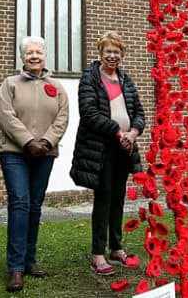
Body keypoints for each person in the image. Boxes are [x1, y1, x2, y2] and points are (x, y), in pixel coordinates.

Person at [0, 36, 70, 291]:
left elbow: (62, 118)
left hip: (45, 154)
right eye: (30, 53)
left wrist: (47, 143)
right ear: (22, 57)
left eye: (39, 52)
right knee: (20, 203)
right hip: (14, 153)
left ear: (45, 56)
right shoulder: (10, 84)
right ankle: (15, 268)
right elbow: (7, 117)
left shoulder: (57, 87)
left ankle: (30, 261)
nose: (35, 56)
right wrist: (28, 142)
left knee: (35, 206)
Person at [70, 31, 144, 276]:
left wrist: (133, 132)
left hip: (124, 148)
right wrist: (117, 132)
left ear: (122, 55)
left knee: (118, 198)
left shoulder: (126, 80)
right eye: (108, 51)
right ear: (100, 53)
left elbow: (139, 113)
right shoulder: (90, 78)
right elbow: (89, 113)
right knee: (104, 199)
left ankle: (116, 247)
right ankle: (97, 254)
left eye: (117, 51)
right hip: (100, 149)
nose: (112, 56)